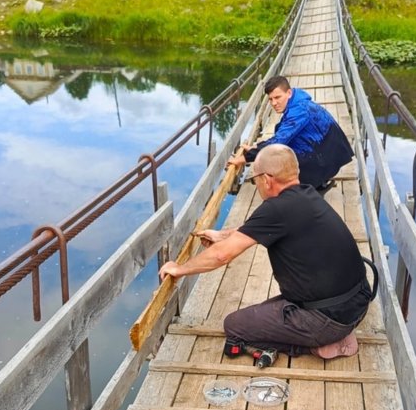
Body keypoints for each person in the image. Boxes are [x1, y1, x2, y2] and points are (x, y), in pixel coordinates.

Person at [159, 144, 374, 359]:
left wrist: (179, 269)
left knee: (235, 326)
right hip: (356, 303)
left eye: (254, 180)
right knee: (263, 312)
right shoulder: (306, 194)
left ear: (267, 180)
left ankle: (322, 346)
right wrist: (221, 236)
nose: (257, 186)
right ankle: (335, 334)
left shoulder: (276, 208)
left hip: (328, 319)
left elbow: (221, 255)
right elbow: (256, 230)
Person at [229, 75, 353, 192]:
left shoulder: (299, 111)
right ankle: (315, 181)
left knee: (274, 159)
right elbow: (282, 136)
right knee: (275, 151)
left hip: (325, 161)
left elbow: (278, 142)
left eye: (277, 97)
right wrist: (256, 149)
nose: (274, 103)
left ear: (289, 93)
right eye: (271, 99)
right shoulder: (297, 101)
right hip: (327, 153)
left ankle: (311, 185)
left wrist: (242, 159)